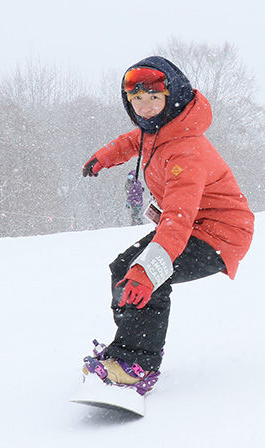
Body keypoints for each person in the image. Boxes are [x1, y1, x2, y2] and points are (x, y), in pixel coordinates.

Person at [80, 56, 255, 394]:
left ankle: (138, 363)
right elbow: (135, 141)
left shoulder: (185, 150)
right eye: (136, 99)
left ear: (171, 97)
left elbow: (178, 217)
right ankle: (126, 346)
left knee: (149, 278)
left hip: (222, 233)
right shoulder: (160, 129)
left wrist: (147, 273)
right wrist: (106, 156)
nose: (144, 107)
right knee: (123, 268)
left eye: (153, 98)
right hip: (194, 226)